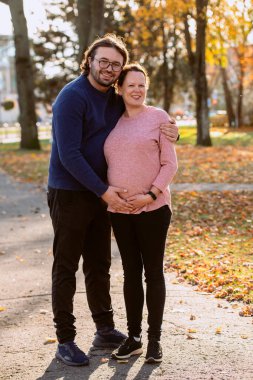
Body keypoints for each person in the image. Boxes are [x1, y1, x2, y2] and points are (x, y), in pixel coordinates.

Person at [47, 34, 179, 367]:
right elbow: (69, 154)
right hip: (70, 193)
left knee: (99, 263)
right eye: (103, 61)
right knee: (66, 266)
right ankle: (65, 339)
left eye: (115, 64)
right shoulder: (71, 97)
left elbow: (144, 116)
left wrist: (173, 130)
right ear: (89, 60)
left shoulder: (112, 98)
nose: (109, 68)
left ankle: (104, 328)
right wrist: (105, 191)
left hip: (100, 194)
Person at [104, 63, 178, 364]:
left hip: (153, 209)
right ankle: (133, 339)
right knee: (130, 273)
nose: (137, 89)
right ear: (119, 88)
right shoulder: (111, 120)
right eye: (131, 84)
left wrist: (149, 195)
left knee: (153, 272)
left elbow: (170, 164)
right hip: (119, 210)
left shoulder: (158, 118)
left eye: (141, 84)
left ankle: (154, 341)